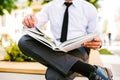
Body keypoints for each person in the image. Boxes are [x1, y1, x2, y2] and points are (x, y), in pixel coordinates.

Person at [18, 0, 113, 80]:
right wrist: (29, 21)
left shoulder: (89, 8)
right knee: (24, 41)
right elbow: (35, 24)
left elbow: (96, 36)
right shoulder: (50, 6)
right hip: (57, 49)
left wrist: (98, 43)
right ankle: (90, 70)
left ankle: (89, 70)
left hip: (79, 49)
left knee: (53, 76)